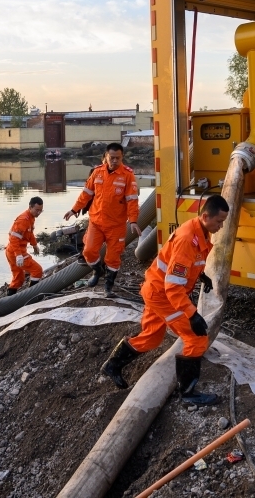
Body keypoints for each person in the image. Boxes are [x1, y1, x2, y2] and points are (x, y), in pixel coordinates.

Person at [100, 194, 230, 405]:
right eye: (219, 221)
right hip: (163, 295)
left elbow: (185, 265)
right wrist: (192, 314)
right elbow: (173, 286)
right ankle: (188, 394)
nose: (221, 226)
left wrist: (199, 275)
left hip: (156, 289)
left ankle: (112, 365)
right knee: (196, 338)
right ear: (206, 216)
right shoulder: (188, 239)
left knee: (152, 337)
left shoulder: (200, 232)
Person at [64, 143, 140, 296]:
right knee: (89, 251)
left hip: (116, 225)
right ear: (106, 156)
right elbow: (86, 194)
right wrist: (74, 209)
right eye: (111, 158)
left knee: (113, 258)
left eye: (118, 158)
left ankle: (108, 287)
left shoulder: (127, 176)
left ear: (122, 157)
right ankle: (98, 272)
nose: (114, 161)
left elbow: (132, 201)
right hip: (96, 222)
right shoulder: (97, 173)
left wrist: (133, 221)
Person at [6, 196, 44, 295]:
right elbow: (14, 239)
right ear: (30, 207)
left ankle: (9, 299)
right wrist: (18, 255)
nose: (39, 213)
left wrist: (34, 245)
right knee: (37, 270)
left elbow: (29, 233)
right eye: (37, 210)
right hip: (16, 251)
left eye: (41, 211)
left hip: (12, 251)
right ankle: (31, 295)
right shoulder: (23, 220)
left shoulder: (30, 218)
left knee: (18, 278)